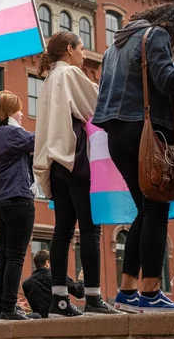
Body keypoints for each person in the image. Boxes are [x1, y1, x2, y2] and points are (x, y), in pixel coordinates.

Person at [92, 3, 174, 313]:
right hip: (146, 131)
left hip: (117, 136)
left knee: (144, 211)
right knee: (157, 209)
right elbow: (168, 81)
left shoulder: (112, 48)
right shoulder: (156, 35)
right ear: (170, 25)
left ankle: (127, 292)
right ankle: (151, 293)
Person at [34, 30, 117, 317]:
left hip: (55, 164)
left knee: (63, 231)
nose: (84, 54)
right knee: (91, 229)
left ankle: (58, 301)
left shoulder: (47, 81)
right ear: (69, 49)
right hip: (76, 158)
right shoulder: (69, 74)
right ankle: (93, 297)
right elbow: (95, 105)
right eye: (81, 48)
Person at [0, 90, 36, 320]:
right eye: (19, 109)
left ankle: (1, 307)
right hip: (17, 198)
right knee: (15, 256)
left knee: (4, 255)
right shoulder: (11, 133)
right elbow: (38, 140)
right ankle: (8, 307)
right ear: (9, 112)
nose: (22, 114)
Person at [22, 250, 85, 318]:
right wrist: (81, 280)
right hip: (60, 318)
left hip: (40, 321)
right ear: (47, 263)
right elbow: (79, 293)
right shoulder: (57, 277)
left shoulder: (26, 284)